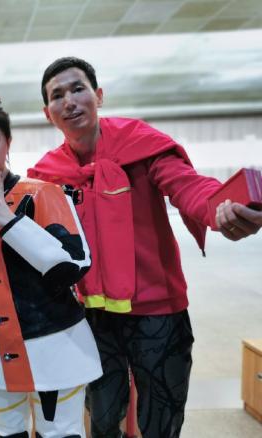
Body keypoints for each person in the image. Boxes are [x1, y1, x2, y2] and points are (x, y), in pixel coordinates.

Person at [28, 56, 262, 438]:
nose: (68, 101)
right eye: (57, 95)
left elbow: (190, 187)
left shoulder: (140, 144)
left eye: (77, 89)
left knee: (162, 421)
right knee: (102, 419)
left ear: (98, 95)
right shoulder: (48, 173)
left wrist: (221, 210)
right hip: (92, 316)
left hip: (158, 311)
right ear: (47, 112)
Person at [0, 94, 102, 438]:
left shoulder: (43, 194)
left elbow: (75, 264)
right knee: (6, 433)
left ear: (8, 142)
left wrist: (12, 224)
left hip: (55, 347)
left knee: (60, 433)